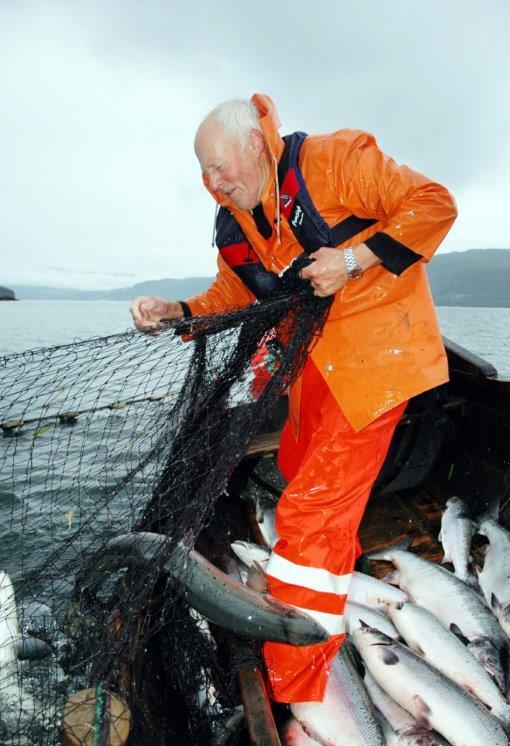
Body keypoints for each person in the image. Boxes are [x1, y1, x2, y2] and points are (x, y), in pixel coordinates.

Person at [130, 94, 457, 704]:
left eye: (219, 166)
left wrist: (353, 260)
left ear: (255, 144)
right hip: (311, 368)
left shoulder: (334, 161)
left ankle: (299, 686)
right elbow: (235, 291)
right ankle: (334, 576)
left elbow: (434, 204)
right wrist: (177, 311)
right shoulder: (239, 220)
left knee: (309, 517)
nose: (212, 181)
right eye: (203, 172)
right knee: (292, 471)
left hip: (376, 360)